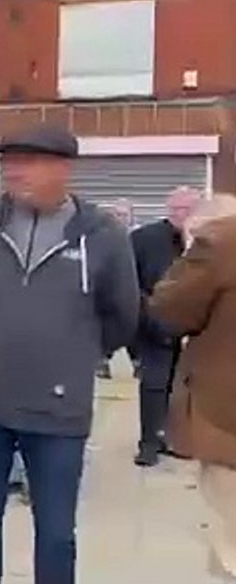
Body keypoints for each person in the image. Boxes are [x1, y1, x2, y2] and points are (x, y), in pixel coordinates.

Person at [0, 125, 138, 584]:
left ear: (63, 168)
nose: (13, 172)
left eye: (27, 162)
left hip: (58, 411)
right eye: (8, 162)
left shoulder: (103, 234)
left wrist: (71, 354)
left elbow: (123, 314)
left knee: (55, 533)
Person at [148, 194, 236, 580]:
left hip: (227, 418)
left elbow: (170, 309)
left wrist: (191, 253)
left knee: (231, 535)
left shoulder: (221, 240)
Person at [130, 186, 201, 467]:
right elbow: (131, 283)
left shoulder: (207, 241)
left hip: (195, 331)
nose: (182, 215)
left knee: (184, 389)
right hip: (154, 327)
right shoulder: (144, 239)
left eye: (189, 209)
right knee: (154, 386)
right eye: (178, 209)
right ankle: (149, 442)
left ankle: (174, 438)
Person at [97, 198, 139, 380]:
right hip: (109, 289)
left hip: (134, 287)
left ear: (131, 217)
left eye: (123, 214)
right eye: (116, 214)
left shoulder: (139, 237)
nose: (119, 218)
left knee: (133, 322)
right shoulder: (103, 238)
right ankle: (102, 361)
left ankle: (138, 362)